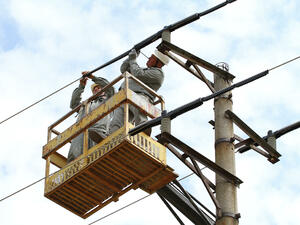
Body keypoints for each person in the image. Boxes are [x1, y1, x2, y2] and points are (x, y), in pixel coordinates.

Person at [108, 48, 169, 136]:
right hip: (124, 96)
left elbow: (138, 74)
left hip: (140, 96)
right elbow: (124, 69)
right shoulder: (142, 70)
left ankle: (143, 127)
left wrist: (133, 59)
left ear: (158, 62)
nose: (149, 59)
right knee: (117, 120)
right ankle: (112, 136)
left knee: (138, 106)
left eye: (152, 57)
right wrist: (131, 57)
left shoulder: (158, 74)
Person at [67, 71, 115, 162]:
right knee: (74, 155)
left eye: (99, 87)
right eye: (94, 89)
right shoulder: (87, 105)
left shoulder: (110, 100)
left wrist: (93, 77)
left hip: (99, 131)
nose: (96, 89)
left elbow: (111, 88)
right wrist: (81, 87)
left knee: (96, 154)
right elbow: (73, 104)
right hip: (81, 132)